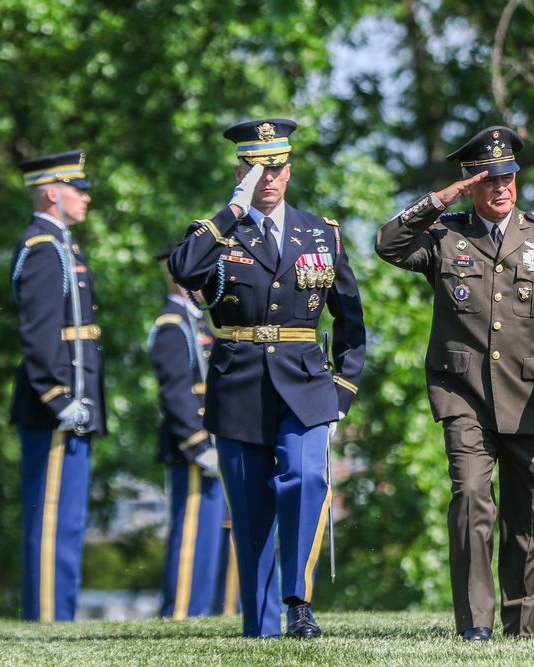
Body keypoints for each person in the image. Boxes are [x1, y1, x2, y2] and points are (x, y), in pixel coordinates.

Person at [375, 126, 534, 640]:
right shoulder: (446, 234)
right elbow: (388, 246)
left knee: (525, 521)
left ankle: (520, 627)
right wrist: (437, 201)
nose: (502, 187)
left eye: (509, 177)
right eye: (489, 179)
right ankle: (475, 627)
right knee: (472, 499)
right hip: (464, 396)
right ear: (470, 183)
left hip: (532, 398)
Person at [167, 118, 366, 639]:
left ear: (290, 170)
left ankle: (298, 601)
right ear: (241, 171)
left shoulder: (322, 232)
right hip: (238, 383)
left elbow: (350, 321)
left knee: (307, 479)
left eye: (276, 167)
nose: (268, 177)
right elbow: (184, 270)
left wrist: (342, 390)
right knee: (252, 510)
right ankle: (260, 625)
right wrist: (233, 208)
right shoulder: (215, 231)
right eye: (257, 168)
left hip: (305, 383)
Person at [9, 149, 107, 622]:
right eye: (78, 189)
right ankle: (46, 617)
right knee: (50, 521)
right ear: (53, 193)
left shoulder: (61, 244)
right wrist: (58, 397)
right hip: (54, 407)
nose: (86, 198)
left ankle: (59, 616)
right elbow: (38, 333)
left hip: (74, 403)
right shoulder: (43, 248)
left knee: (67, 522)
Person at [147, 251, 236, 618]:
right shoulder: (172, 324)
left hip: (212, 445)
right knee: (193, 539)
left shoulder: (197, 321)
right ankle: (181, 612)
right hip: (194, 451)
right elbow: (175, 391)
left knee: (215, 537)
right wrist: (198, 445)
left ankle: (210, 610)